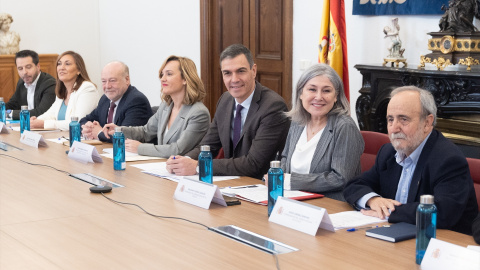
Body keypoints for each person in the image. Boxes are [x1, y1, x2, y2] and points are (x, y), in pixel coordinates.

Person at [343, 86, 478, 235]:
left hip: (441, 243)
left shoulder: (448, 159)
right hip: (398, 234)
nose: (394, 128)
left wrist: (390, 211)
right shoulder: (388, 153)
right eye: (390, 120)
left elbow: (443, 212)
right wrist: (373, 200)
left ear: (427, 123)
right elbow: (354, 185)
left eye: (403, 119)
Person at [166, 44, 290, 179]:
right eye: (227, 73)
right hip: (232, 182)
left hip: (261, 186)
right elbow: (208, 146)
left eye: (241, 71)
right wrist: (181, 161)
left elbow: (254, 164)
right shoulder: (225, 100)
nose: (234, 79)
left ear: (253, 70)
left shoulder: (273, 107)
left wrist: (197, 166)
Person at [279, 64, 364, 201]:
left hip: (330, 204)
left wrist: (291, 181)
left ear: (336, 96)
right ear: (301, 93)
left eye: (326, 91)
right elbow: (285, 157)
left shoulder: (344, 127)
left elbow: (340, 178)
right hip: (292, 199)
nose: (318, 97)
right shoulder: (297, 121)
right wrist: (278, 176)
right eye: (312, 89)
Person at [102, 56, 210, 157]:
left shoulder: (198, 113)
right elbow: (146, 132)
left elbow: (178, 149)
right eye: (162, 74)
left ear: (185, 79)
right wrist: (119, 130)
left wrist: (139, 148)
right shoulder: (165, 106)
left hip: (183, 172)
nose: (163, 79)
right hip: (162, 168)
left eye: (169, 74)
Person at [80, 61, 153, 142]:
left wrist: (99, 132)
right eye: (104, 81)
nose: (107, 86)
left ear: (127, 79)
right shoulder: (105, 99)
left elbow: (125, 136)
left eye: (112, 80)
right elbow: (84, 120)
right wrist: (88, 127)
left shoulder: (136, 100)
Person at [30, 51, 99, 130]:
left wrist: (44, 124)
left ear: (79, 70)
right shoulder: (63, 90)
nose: (61, 67)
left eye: (67, 64)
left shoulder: (87, 88)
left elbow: (78, 122)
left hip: (81, 139)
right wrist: (35, 120)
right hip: (63, 137)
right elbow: (51, 114)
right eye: (59, 64)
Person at [5, 50, 56, 120]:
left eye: (28, 67)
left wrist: (8, 114)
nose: (24, 72)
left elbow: (41, 112)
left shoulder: (49, 84)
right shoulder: (21, 83)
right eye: (20, 68)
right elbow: (13, 104)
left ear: (38, 66)